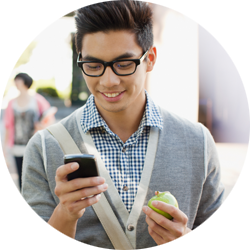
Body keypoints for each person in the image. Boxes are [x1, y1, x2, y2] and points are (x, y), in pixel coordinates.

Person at [21, 1, 224, 249]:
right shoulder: (43, 148)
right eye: (94, 66)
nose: (109, 81)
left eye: (124, 64)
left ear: (149, 59)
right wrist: (66, 213)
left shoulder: (198, 143)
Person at [3, 73, 51, 190]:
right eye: (16, 80)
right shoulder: (11, 103)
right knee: (20, 176)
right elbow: (8, 126)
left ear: (25, 82)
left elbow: (49, 116)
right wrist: (4, 149)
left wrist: (41, 126)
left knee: (36, 176)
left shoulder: (37, 100)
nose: (16, 82)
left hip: (35, 144)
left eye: (19, 79)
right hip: (17, 146)